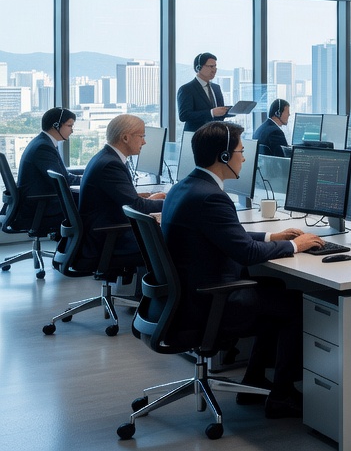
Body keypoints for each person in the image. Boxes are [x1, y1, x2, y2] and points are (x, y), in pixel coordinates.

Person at [161, 121, 325, 418]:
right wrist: (296, 246)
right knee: (296, 306)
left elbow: (224, 234)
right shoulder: (212, 197)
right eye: (240, 151)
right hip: (207, 303)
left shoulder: (187, 187)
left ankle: (254, 380)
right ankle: (282, 395)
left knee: (275, 289)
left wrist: (270, 237)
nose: (244, 158)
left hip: (184, 297)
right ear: (224, 157)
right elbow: (246, 254)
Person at [76, 114, 165, 266]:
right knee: (175, 238)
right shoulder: (111, 165)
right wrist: (173, 202)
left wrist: (141, 198)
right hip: (108, 238)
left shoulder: (105, 157)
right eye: (141, 136)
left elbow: (122, 200)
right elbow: (137, 206)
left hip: (104, 231)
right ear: (125, 138)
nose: (144, 142)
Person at [16, 107, 80, 221]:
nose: (72, 131)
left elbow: (63, 174)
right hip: (40, 207)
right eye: (69, 126)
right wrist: (90, 180)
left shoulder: (44, 142)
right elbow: (63, 180)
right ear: (56, 125)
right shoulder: (43, 147)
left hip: (40, 201)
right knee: (93, 207)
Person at [176, 52, 227, 133]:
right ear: (199, 67)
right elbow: (184, 116)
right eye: (211, 66)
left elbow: (219, 113)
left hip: (216, 135)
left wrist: (230, 111)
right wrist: (211, 113)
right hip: (195, 136)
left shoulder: (216, 88)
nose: (214, 70)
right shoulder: (186, 89)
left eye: (215, 66)